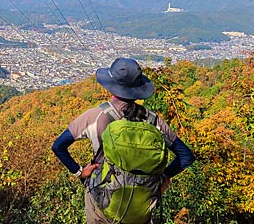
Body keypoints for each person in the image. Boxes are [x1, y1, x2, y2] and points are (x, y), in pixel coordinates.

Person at [52, 58, 195, 223]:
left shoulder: (96, 116)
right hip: (140, 203)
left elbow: (58, 146)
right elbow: (186, 156)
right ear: (138, 90)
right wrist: (164, 178)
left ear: (111, 86)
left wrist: (79, 171)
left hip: (101, 200)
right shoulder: (153, 121)